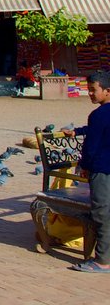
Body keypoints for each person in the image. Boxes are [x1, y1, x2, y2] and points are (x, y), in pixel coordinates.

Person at [62, 71, 110, 273]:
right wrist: (77, 132)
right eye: (88, 90)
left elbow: (91, 145)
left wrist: (84, 166)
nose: (90, 93)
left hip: (102, 169)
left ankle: (103, 261)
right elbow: (96, 130)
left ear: (107, 91)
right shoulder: (101, 115)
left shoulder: (98, 114)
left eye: (93, 90)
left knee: (102, 212)